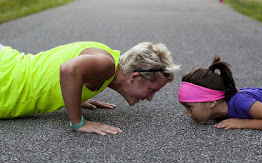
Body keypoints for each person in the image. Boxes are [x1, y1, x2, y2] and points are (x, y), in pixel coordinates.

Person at [0, 41, 180, 135]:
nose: (150, 98)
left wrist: (75, 94)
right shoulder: (106, 65)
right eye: (152, 90)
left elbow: (60, 65)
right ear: (134, 77)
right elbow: (68, 69)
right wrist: (78, 122)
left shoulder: (106, 59)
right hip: (5, 80)